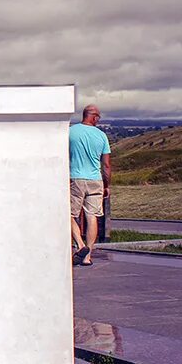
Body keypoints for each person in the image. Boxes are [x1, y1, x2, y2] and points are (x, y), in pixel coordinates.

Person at [69, 104, 111, 267]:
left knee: (69, 214)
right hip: (96, 180)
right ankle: (88, 256)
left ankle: (80, 245)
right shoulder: (102, 136)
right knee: (91, 216)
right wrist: (107, 185)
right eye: (98, 117)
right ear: (94, 117)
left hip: (76, 178)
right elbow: (106, 165)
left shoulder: (71, 132)